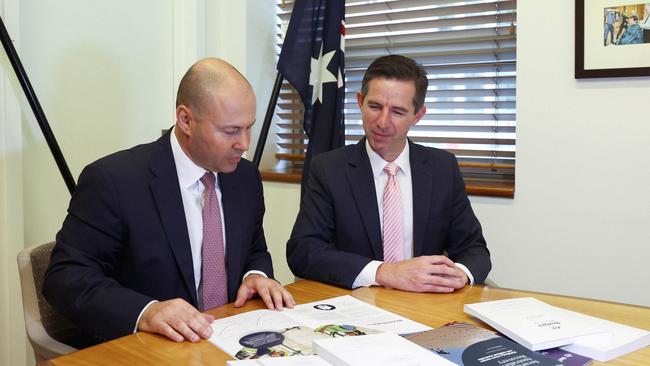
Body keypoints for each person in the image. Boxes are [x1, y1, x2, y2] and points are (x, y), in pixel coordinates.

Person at [43, 58, 295, 348]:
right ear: (186, 120)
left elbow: (254, 249)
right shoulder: (114, 181)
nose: (244, 143)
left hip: (227, 340)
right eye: (230, 131)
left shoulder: (244, 177)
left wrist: (256, 275)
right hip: (149, 348)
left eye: (248, 127)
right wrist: (147, 311)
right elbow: (65, 278)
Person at [286, 55, 490, 293]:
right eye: (374, 106)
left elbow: (474, 249)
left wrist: (458, 275)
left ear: (418, 116)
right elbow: (303, 251)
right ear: (360, 102)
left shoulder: (442, 167)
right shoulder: (329, 169)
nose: (382, 122)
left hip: (426, 303)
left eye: (397, 112)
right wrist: (385, 273)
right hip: (358, 304)